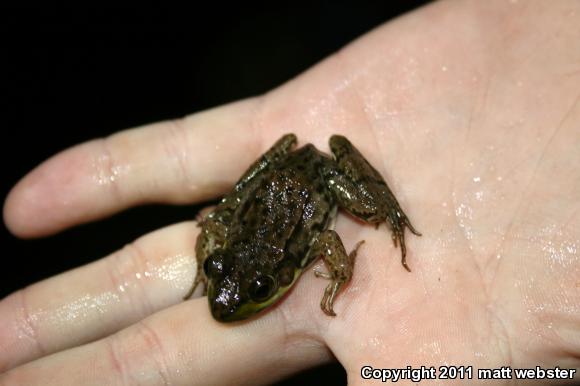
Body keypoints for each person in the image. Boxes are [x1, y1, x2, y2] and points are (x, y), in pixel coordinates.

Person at [2, 1, 579, 384]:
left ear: (276, 278)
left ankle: (390, 208)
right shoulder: (237, 253)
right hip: (280, 185)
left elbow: (328, 241)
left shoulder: (287, 258)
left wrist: (342, 276)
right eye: (229, 275)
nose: (229, 295)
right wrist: (225, 236)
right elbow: (257, 236)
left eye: (251, 288)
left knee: (369, 210)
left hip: (315, 178)